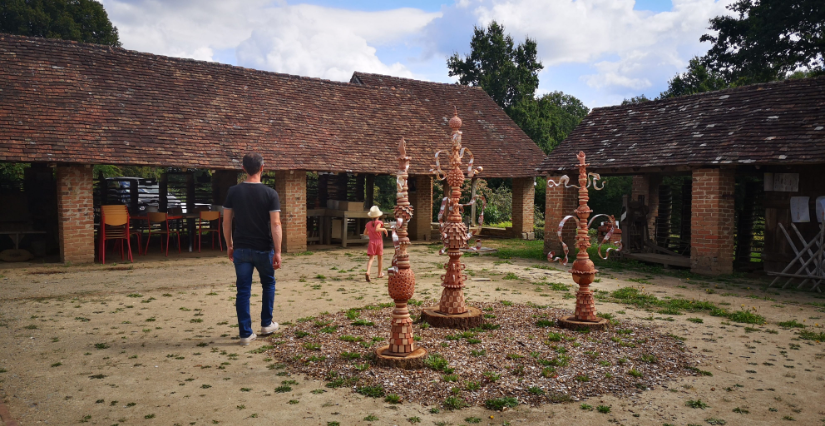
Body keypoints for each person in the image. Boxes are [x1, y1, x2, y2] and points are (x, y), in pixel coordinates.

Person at [222, 153, 282, 346]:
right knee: (268, 284)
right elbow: (276, 224)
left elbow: (226, 222)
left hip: (241, 248)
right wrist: (278, 251)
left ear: (243, 169)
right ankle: (266, 323)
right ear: (263, 168)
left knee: (243, 291)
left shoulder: (233, 192)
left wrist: (230, 245)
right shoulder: (270, 194)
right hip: (264, 248)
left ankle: (245, 334)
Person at [363, 206, 388, 282]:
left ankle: (368, 271)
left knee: (371, 258)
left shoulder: (368, 224)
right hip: (378, 241)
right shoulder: (379, 222)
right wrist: (384, 229)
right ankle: (379, 273)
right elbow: (377, 229)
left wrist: (371, 233)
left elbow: (365, 233)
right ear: (378, 216)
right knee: (380, 257)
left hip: (371, 241)